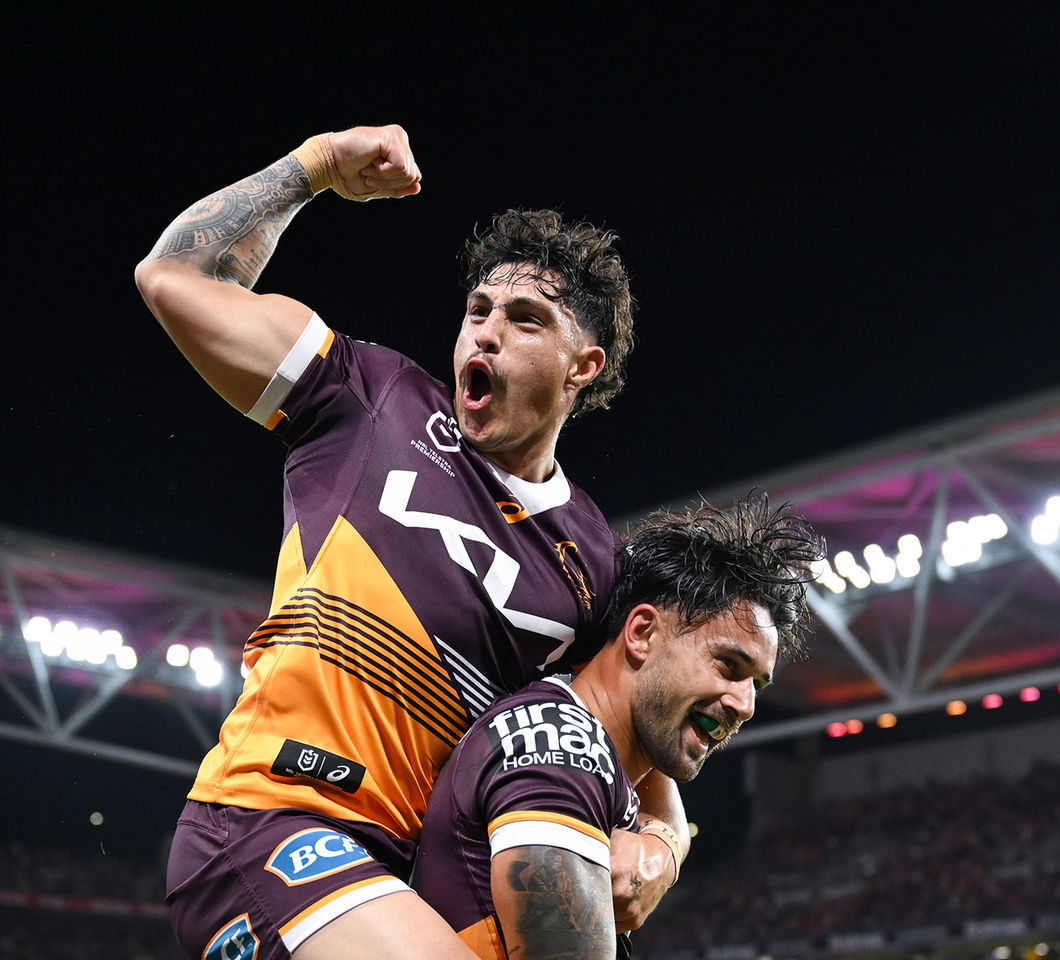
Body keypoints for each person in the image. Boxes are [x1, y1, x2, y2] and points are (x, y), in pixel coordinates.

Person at [134, 124, 686, 960]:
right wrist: (313, 166)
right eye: (477, 311)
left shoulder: (596, 561)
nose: (484, 334)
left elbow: (634, 735)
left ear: (583, 367)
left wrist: (665, 844)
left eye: (526, 320)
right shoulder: (370, 398)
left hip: (415, 876)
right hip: (268, 822)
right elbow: (173, 275)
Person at [410, 497, 824, 959]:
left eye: (757, 685)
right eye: (728, 665)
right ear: (643, 633)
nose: (745, 705)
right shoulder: (562, 754)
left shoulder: (585, 747)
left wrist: (665, 844)